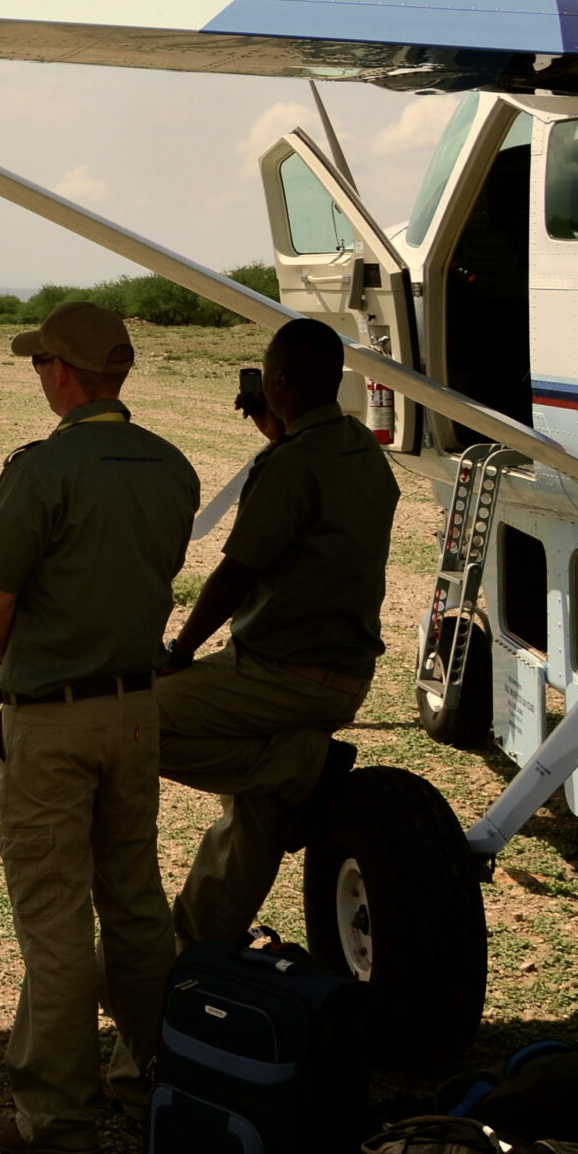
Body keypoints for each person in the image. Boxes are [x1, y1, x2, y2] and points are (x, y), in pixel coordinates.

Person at [0, 300, 199, 1154]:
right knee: (135, 905)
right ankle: (163, 1074)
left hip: (52, 717)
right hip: (137, 711)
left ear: (62, 373)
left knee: (56, 916)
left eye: (39, 365)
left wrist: (37, 660)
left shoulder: (43, 469)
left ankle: (57, 1117)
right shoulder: (172, 467)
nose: (39, 378)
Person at [154, 317, 397, 947]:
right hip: (343, 673)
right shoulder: (357, 444)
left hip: (281, 674)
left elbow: (238, 573)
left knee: (127, 725)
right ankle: (198, 950)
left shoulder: (292, 463)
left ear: (280, 380)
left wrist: (179, 652)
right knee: (253, 817)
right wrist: (278, 429)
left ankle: (299, 763)